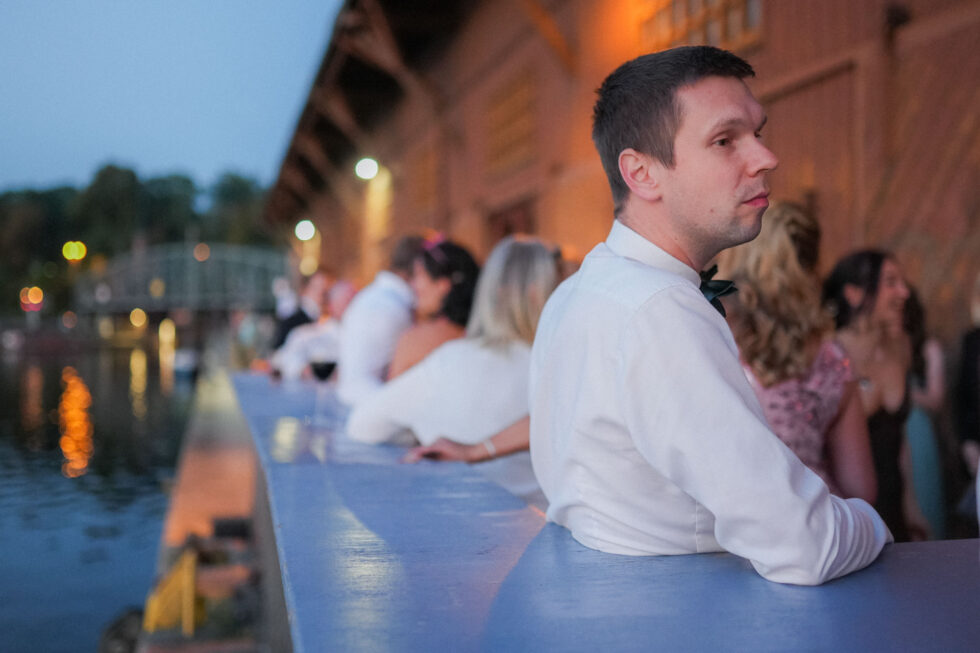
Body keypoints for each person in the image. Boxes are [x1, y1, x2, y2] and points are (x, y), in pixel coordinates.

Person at [529, 46, 890, 586]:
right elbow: (804, 545)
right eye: (725, 141)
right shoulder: (660, 310)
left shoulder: (576, 294)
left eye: (758, 133)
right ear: (642, 173)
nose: (765, 158)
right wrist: (873, 524)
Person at [347, 236, 560, 506]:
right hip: (547, 531)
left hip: (462, 522)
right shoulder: (559, 363)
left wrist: (419, 429)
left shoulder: (449, 360)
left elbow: (362, 425)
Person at [718, 202, 876, 502]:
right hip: (816, 526)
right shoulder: (832, 358)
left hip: (729, 528)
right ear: (812, 266)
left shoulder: (710, 332)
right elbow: (861, 490)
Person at [823, 250, 929, 541]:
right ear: (854, 293)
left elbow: (899, 439)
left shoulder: (900, 347)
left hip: (894, 505)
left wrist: (912, 508)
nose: (904, 292)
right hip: (849, 515)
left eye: (903, 282)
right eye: (891, 282)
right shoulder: (829, 353)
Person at [337, 235, 425, 406]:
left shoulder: (372, 296)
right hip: (372, 406)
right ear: (417, 268)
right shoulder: (395, 308)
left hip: (351, 401)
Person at [387, 236, 480, 378]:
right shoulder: (484, 333)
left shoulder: (414, 342)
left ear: (443, 285)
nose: (413, 284)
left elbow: (392, 397)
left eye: (419, 274)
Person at [269, 280, 357, 381]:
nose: (352, 307)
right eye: (346, 302)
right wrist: (303, 370)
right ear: (331, 305)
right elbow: (282, 361)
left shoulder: (364, 337)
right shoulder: (307, 335)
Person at [269, 268, 332, 350]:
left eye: (325, 292)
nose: (322, 297)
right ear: (305, 290)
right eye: (317, 288)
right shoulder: (291, 322)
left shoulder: (330, 321)